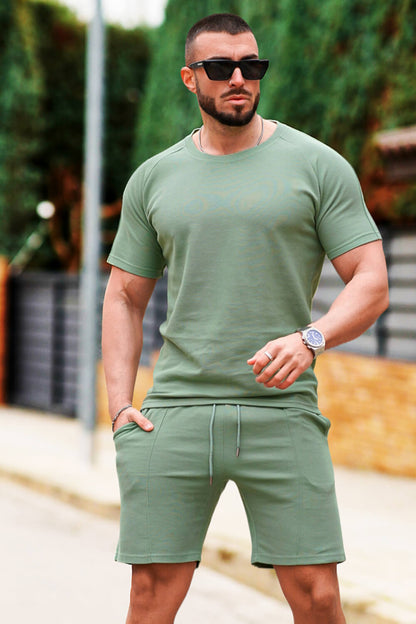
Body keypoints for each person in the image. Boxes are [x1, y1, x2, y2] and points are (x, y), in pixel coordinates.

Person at [102, 13, 389, 624]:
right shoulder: (153, 178)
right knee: (150, 597)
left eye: (251, 66)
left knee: (318, 596)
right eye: (221, 67)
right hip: (175, 411)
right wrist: (120, 407)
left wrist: (312, 338)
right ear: (190, 78)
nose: (239, 79)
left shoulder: (317, 165)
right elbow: (124, 295)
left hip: (282, 410)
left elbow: (371, 279)